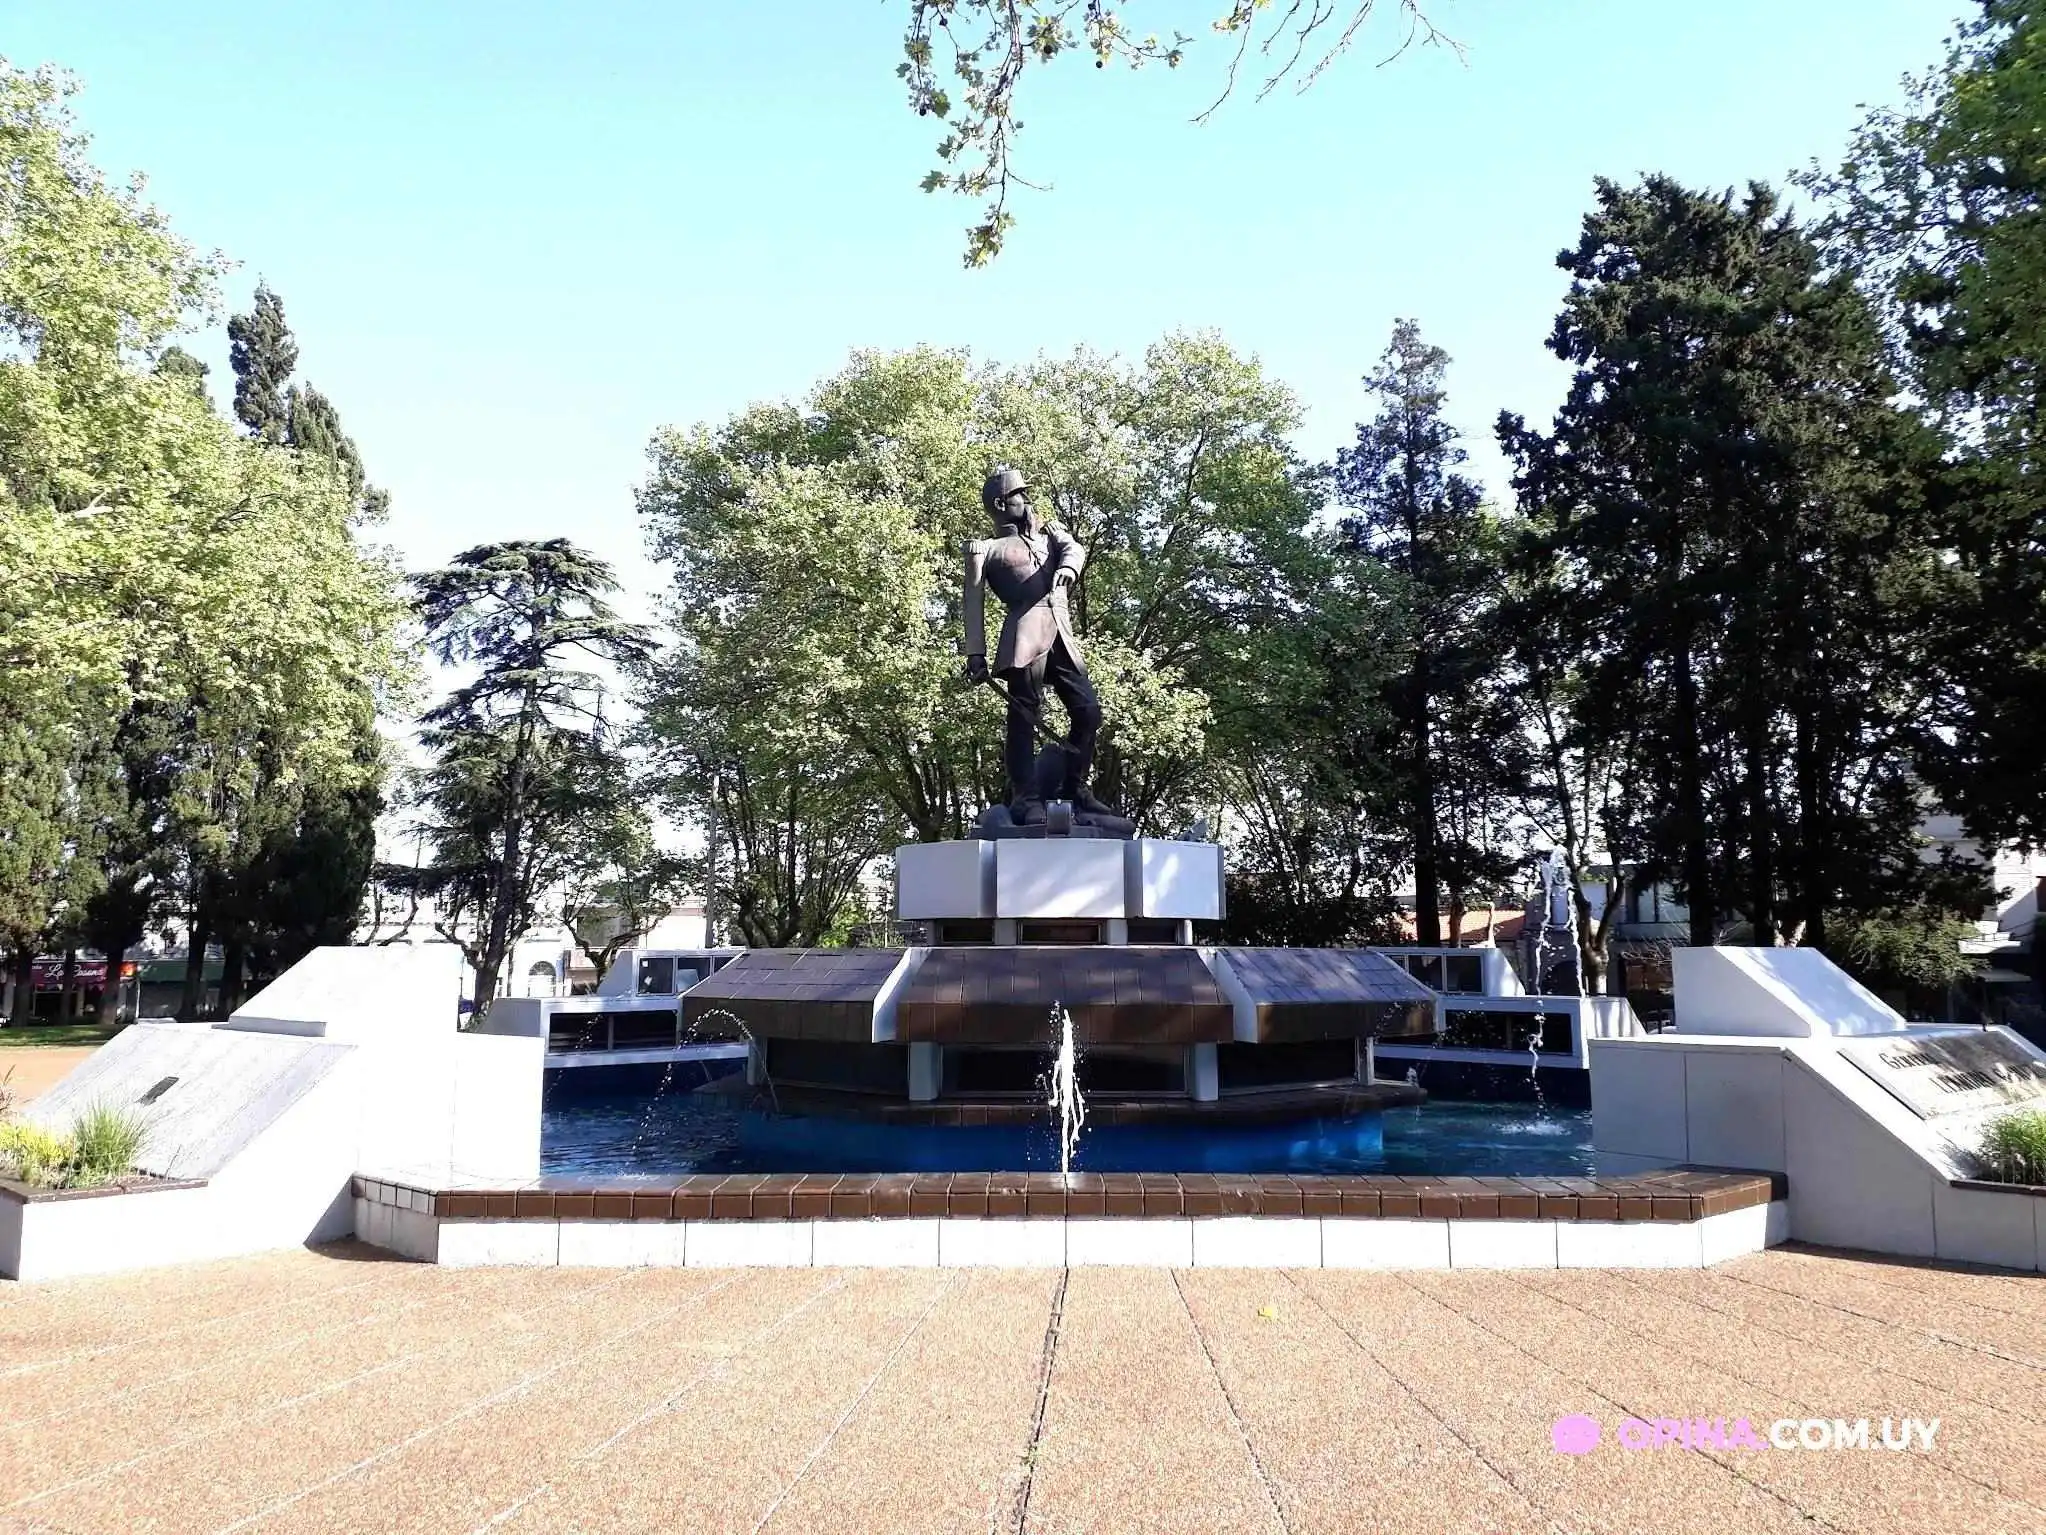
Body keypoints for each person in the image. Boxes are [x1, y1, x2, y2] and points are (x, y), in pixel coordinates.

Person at [962, 467, 1112, 826]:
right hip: (1024, 636)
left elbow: (1074, 549)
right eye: (1020, 495)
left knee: (1089, 712)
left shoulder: (1049, 536)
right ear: (1001, 504)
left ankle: (1075, 788)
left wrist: (1069, 566)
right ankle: (1025, 798)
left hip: (1061, 634)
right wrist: (975, 653)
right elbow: (972, 602)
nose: (1027, 500)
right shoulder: (987, 549)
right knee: (1023, 716)